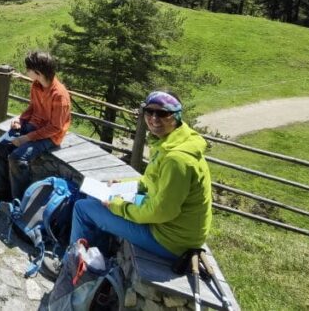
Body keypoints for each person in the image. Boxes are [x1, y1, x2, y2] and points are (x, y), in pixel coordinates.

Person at [69, 90, 213, 261]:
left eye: (162, 113)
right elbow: (152, 181)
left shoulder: (176, 158)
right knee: (93, 197)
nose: (154, 118)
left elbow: (162, 212)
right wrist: (122, 184)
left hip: (170, 239)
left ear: (176, 115)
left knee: (82, 208)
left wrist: (118, 206)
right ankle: (96, 259)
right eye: (149, 111)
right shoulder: (173, 141)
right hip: (175, 229)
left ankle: (71, 266)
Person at [0, 50, 71, 204]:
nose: (26, 72)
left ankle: (18, 199)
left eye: (28, 69)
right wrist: (21, 120)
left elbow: (55, 127)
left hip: (50, 136)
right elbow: (33, 107)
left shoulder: (60, 95)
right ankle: (1, 190)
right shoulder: (36, 85)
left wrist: (26, 138)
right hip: (33, 126)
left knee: (17, 157)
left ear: (38, 72)